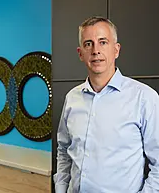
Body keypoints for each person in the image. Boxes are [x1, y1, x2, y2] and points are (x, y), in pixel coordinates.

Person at [53, 16, 159, 193]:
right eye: (88, 44)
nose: (96, 50)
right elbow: (64, 151)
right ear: (80, 53)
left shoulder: (144, 98)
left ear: (116, 50)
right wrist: (61, 188)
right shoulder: (72, 98)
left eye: (103, 42)